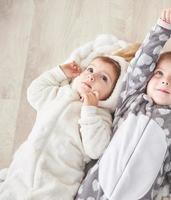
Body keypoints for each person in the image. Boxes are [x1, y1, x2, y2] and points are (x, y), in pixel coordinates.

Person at [76, 4, 171, 200]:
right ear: (147, 79)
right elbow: (143, 60)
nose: (165, 81)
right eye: (159, 74)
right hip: (94, 189)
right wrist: (164, 28)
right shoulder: (132, 98)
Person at [0, 54, 129, 200]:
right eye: (90, 70)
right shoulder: (60, 94)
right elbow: (34, 93)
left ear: (112, 94)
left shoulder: (100, 117)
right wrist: (60, 72)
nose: (93, 77)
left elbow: (96, 149)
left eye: (104, 78)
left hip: (56, 184)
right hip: (21, 173)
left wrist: (89, 110)